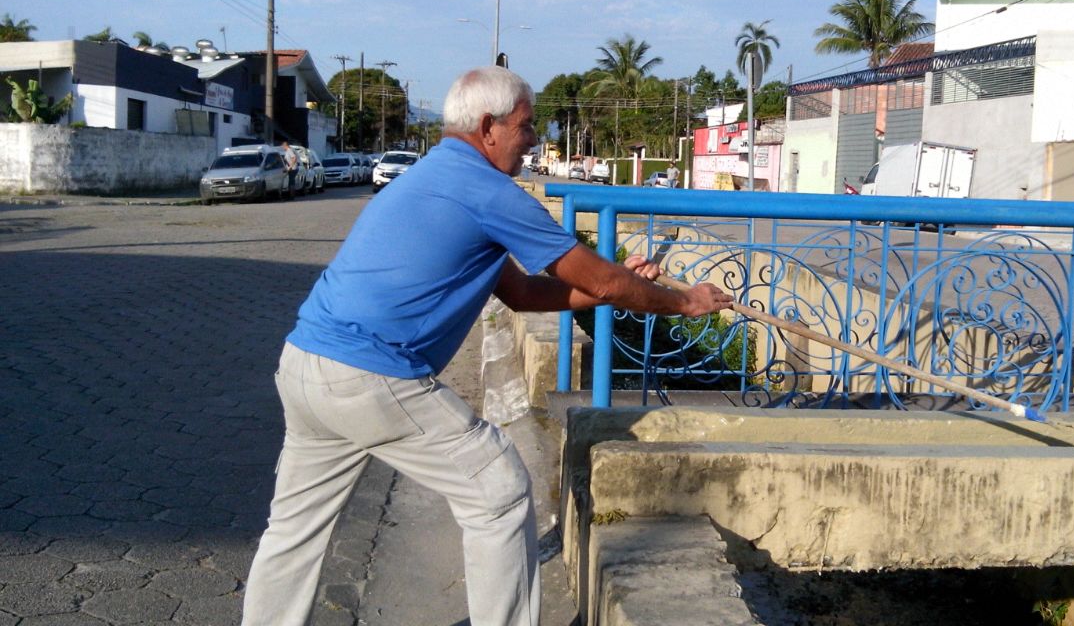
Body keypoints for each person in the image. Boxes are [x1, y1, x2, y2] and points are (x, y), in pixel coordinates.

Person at [241, 66, 733, 626]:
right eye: (526, 126)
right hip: (369, 374)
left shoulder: (433, 177)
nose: (533, 141)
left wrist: (611, 285)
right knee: (497, 490)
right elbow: (598, 279)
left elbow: (521, 293)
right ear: (488, 126)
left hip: (305, 364)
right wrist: (684, 302)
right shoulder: (488, 191)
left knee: (294, 530)